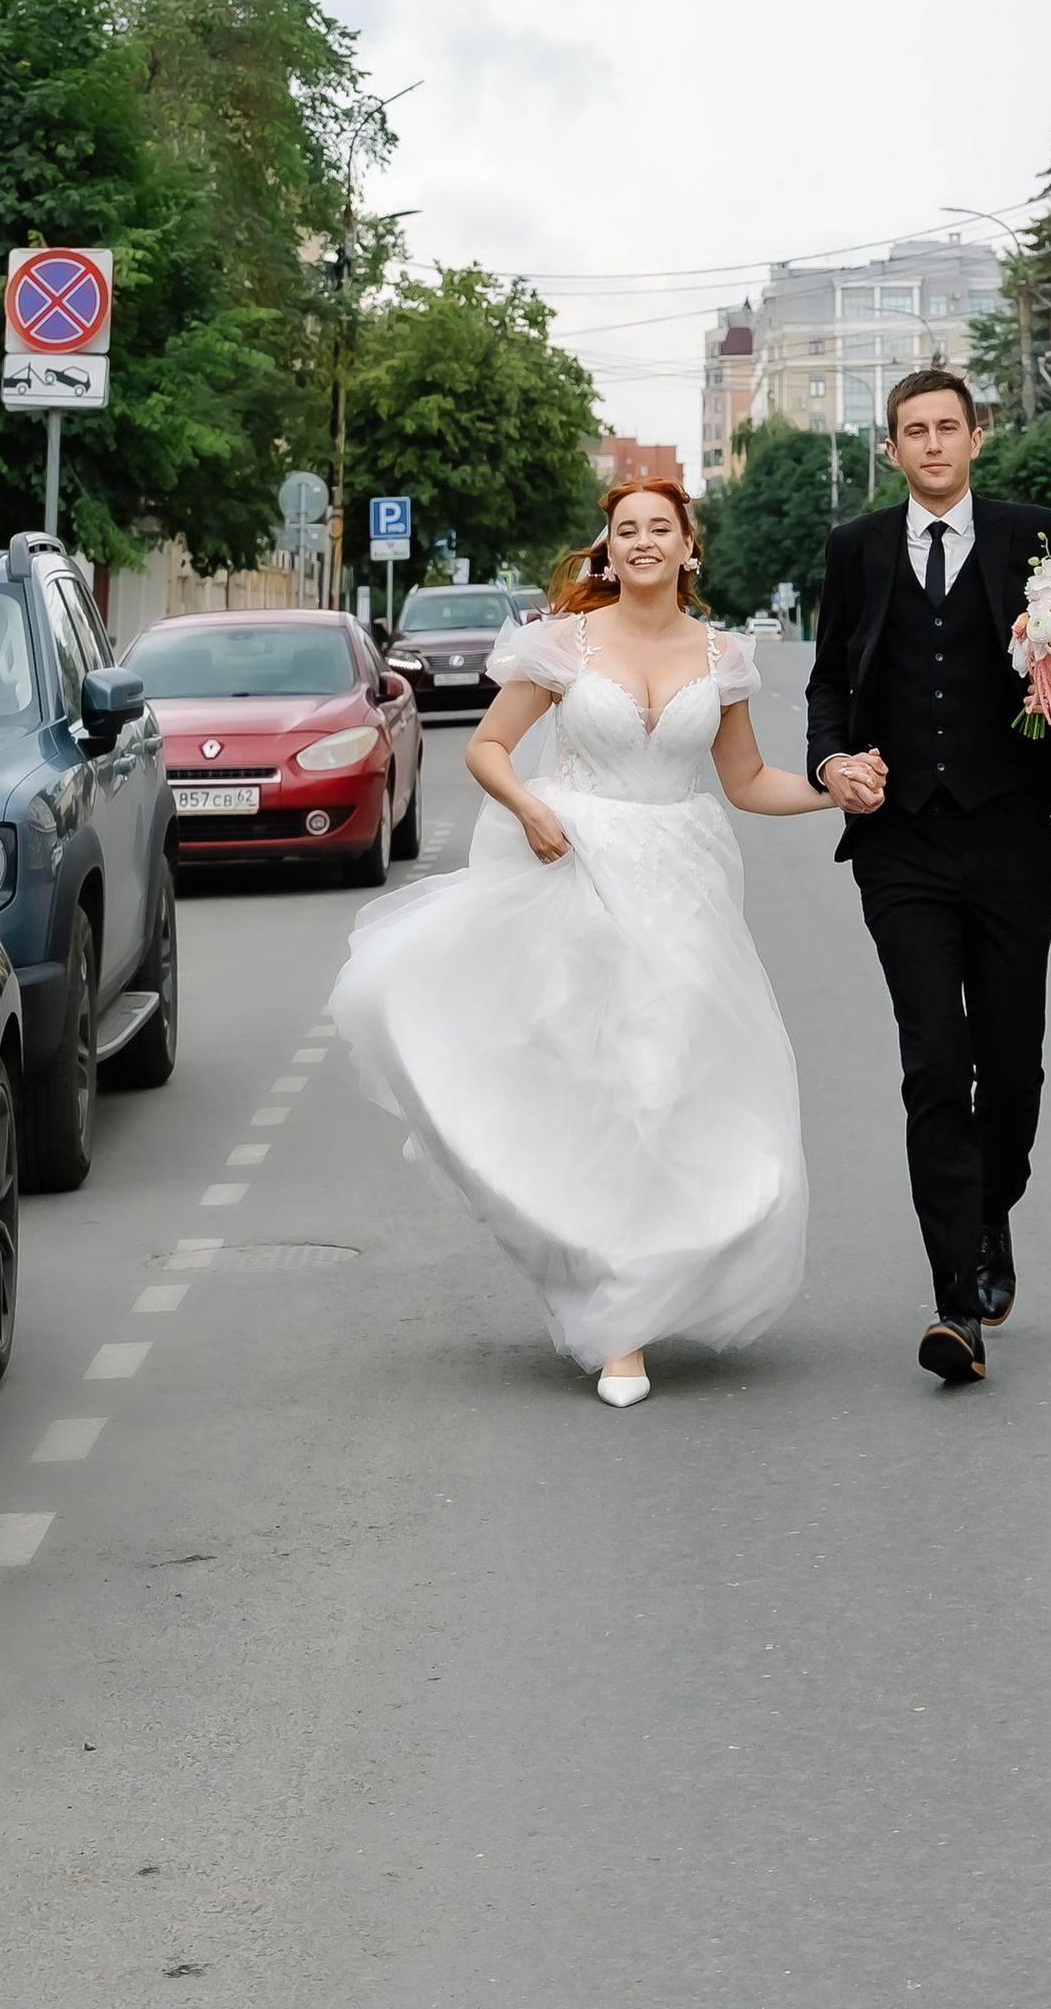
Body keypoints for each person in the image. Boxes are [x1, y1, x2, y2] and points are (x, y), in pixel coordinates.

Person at [329, 480, 856, 1409]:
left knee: (665, 1080)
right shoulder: (560, 645)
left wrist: (831, 787)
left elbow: (745, 779)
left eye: (661, 527)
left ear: (689, 545)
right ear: (606, 551)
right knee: (603, 1082)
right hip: (574, 864)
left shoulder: (724, 655)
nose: (643, 541)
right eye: (626, 530)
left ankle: (641, 1287)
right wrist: (531, 806)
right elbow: (488, 746)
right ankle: (620, 1327)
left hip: (684, 879)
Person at [807, 367, 1051, 1388]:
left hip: (1005, 834)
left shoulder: (1030, 532)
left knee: (1011, 1066)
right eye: (913, 430)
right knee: (931, 1062)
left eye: (948, 426)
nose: (933, 444)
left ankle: (992, 1203)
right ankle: (957, 1298)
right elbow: (830, 678)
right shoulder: (857, 549)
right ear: (892, 447)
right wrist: (832, 764)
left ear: (975, 437)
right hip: (901, 843)